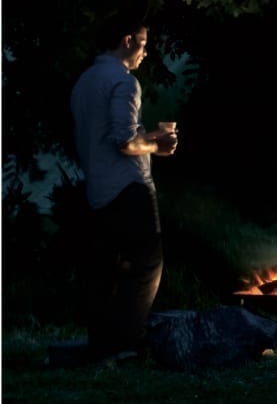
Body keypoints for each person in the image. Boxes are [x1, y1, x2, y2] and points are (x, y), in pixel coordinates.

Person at [66, 18, 179, 366]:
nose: (146, 51)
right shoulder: (123, 82)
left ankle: (102, 346)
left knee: (106, 271)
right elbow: (125, 141)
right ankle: (128, 346)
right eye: (143, 43)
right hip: (129, 189)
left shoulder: (84, 82)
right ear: (127, 40)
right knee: (145, 265)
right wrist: (158, 145)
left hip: (97, 191)